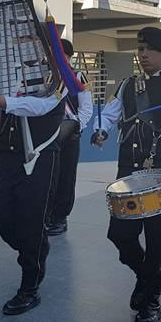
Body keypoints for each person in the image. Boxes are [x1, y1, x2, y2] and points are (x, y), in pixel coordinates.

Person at [91, 26, 161, 322]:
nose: (143, 55)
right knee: (120, 234)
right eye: (140, 49)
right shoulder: (128, 85)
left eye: (149, 49)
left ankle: (151, 300)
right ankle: (145, 277)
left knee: (157, 237)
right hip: (129, 169)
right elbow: (110, 115)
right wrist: (101, 131)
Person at [0, 62, 67, 316]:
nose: (22, 43)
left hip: (39, 157)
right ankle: (34, 250)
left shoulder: (59, 77)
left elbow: (41, 106)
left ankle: (30, 286)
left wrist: (0, 100)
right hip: (8, 156)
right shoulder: (10, 71)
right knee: (0, 215)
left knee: (32, 222)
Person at [47, 39, 93, 236]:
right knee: (47, 177)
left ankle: (60, 217)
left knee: (65, 177)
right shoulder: (46, 77)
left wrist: (75, 127)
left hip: (69, 135)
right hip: (47, 136)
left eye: (56, 53)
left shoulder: (78, 77)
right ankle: (46, 215)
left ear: (66, 56)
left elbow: (86, 108)